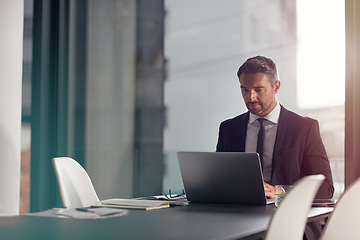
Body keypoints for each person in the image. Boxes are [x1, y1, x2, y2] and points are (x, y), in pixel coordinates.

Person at [216, 55, 334, 199]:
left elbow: (326, 188)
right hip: (240, 215)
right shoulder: (228, 129)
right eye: (245, 90)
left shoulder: (304, 128)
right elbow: (219, 182)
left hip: (287, 214)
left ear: (276, 87)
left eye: (258, 90)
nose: (251, 97)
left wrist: (279, 192)